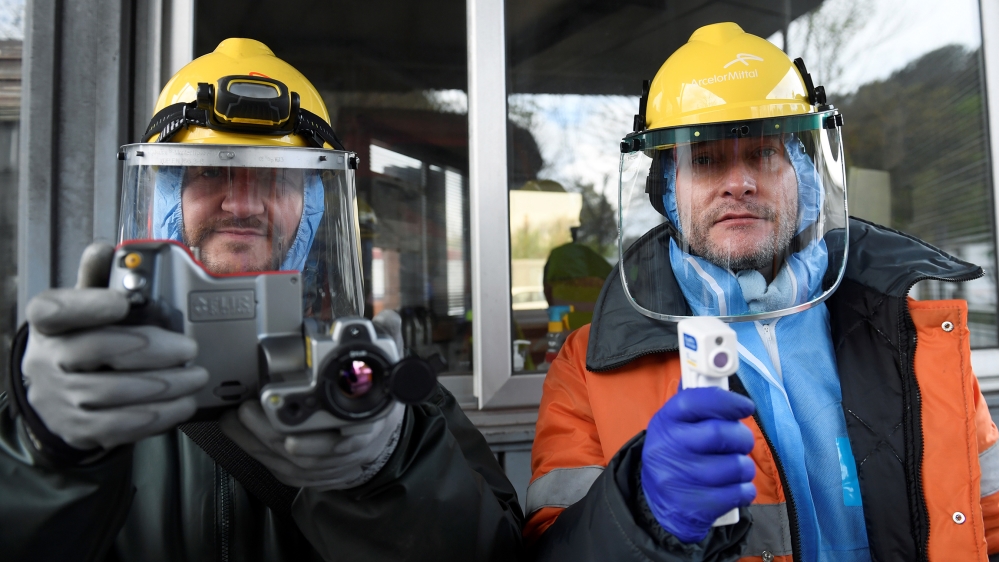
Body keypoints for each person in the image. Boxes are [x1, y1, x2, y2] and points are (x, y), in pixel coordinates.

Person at [0, 39, 523, 561]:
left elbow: (497, 552)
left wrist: (388, 466)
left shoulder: (383, 394)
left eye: (276, 177)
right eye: (209, 172)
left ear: (312, 205)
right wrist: (44, 454)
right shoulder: (77, 389)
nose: (243, 204)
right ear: (162, 193)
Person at [524, 22, 999, 562]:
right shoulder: (589, 369)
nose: (739, 183)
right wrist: (638, 512)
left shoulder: (913, 337)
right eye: (705, 159)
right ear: (667, 188)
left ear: (805, 174)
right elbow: (550, 551)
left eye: (764, 154)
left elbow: (987, 523)